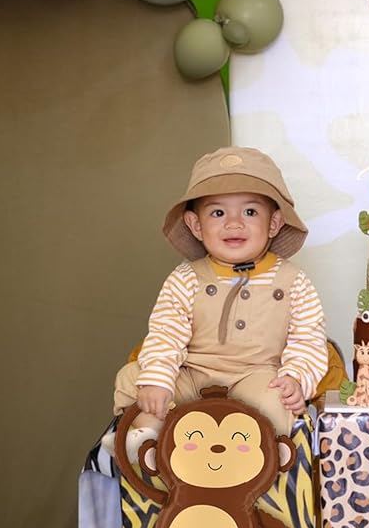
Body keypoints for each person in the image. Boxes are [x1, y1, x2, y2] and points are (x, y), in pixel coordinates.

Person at [111, 146, 328, 461]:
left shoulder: (293, 281)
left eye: (250, 212)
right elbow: (166, 332)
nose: (234, 223)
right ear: (195, 225)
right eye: (217, 213)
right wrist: (158, 379)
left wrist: (296, 377)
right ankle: (146, 439)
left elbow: (308, 338)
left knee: (275, 398)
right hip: (193, 372)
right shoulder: (186, 278)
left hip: (255, 373)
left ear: (274, 223)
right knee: (134, 378)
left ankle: (267, 450)